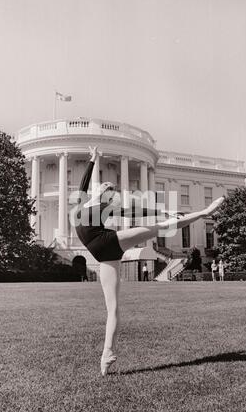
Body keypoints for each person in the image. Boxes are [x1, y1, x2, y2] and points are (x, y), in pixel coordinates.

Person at [75, 146, 225, 376]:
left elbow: (130, 212)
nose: (111, 194)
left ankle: (107, 354)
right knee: (112, 307)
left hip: (103, 245)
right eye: (110, 191)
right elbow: (88, 183)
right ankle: (106, 355)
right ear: (102, 191)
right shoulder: (92, 202)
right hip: (104, 249)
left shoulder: (89, 203)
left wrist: (94, 160)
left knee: (159, 227)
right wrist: (93, 159)